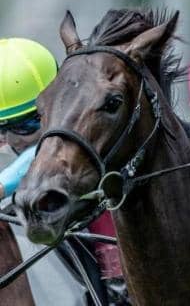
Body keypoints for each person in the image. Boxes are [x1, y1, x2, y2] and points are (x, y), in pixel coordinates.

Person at [0, 37, 131, 305]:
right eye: (3, 130)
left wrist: (3, 184)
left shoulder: (88, 123)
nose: (14, 140)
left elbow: (36, 156)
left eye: (27, 125)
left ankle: (117, 282)